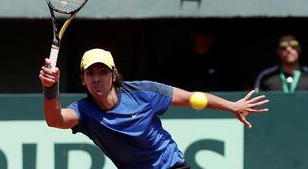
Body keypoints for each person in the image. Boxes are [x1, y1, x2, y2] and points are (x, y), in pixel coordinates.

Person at [39, 48, 269, 169]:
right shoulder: (85, 110)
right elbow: (55, 120)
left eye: (102, 72)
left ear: (114, 75)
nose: (96, 79)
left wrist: (232, 106)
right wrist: (51, 88)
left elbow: (191, 98)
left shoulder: (144, 92)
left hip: (170, 166)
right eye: (90, 73)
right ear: (83, 79)